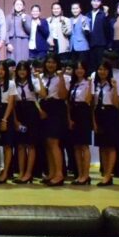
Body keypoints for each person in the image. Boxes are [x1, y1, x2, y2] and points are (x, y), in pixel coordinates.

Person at [38, 55, 68, 186]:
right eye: (48, 62)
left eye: (53, 62)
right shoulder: (41, 77)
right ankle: (51, 172)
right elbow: (42, 95)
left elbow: (63, 95)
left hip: (57, 108)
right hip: (44, 107)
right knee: (47, 142)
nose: (50, 65)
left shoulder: (63, 77)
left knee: (54, 142)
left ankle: (59, 174)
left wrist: (61, 77)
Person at [0, 62, 19, 184]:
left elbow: (11, 103)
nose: (0, 71)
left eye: (2, 69)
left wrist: (5, 119)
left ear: (6, 71)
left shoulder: (11, 83)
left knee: (7, 145)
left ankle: (6, 172)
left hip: (6, 113)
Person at [66, 59, 93, 185]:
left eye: (82, 68)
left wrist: (90, 84)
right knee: (76, 146)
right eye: (77, 68)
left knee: (84, 145)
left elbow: (88, 100)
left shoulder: (89, 82)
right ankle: (80, 174)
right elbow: (68, 102)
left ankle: (86, 175)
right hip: (73, 112)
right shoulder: (72, 83)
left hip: (84, 113)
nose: (79, 70)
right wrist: (69, 118)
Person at [88, 0, 112, 67]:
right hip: (90, 43)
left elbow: (108, 28)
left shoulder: (103, 14)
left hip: (100, 43)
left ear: (101, 3)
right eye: (94, 1)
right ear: (91, 2)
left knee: (100, 64)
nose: (95, 3)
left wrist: (106, 15)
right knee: (91, 64)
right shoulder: (87, 15)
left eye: (98, 1)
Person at [68, 3, 91, 69]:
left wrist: (84, 25)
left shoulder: (85, 18)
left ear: (80, 9)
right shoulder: (69, 20)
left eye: (76, 8)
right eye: (73, 9)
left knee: (82, 67)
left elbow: (87, 31)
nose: (75, 10)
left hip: (82, 47)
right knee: (74, 67)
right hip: (72, 46)